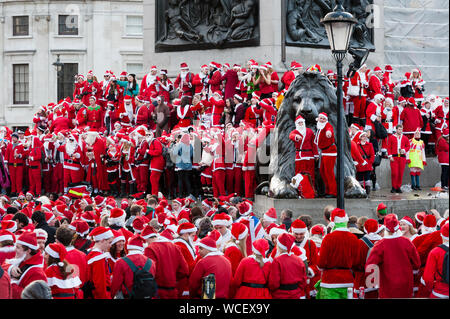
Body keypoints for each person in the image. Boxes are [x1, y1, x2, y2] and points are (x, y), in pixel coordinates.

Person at [366, 214, 421, 298]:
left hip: (387, 286)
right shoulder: (406, 242)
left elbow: (370, 266)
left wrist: (374, 283)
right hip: (406, 284)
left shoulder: (380, 245)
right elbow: (417, 263)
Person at [316, 208, 360, 299]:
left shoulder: (328, 238)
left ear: (333, 222)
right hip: (348, 281)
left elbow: (321, 264)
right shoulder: (354, 238)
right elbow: (356, 263)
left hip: (329, 282)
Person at [144, 230, 189, 299]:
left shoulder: (150, 249)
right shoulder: (175, 247)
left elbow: (149, 273)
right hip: (172, 291)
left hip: (156, 293)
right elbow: (184, 271)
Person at [110, 234, 157, 299]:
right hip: (147, 296)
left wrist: (111, 296)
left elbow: (115, 285)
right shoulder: (151, 262)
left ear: (128, 247)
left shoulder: (120, 262)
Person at [3, 231, 47, 299]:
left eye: (18, 247)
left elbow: (29, 296)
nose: (15, 249)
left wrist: (10, 283)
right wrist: (10, 269)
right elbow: (3, 265)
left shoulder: (37, 272)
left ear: (28, 251)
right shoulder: (23, 259)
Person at [268, 233, 307, 299]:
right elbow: (303, 280)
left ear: (278, 246)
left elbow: (274, 283)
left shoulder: (277, 261)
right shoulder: (299, 260)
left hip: (280, 294)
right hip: (295, 294)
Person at [85, 227, 115, 299]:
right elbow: (100, 284)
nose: (110, 245)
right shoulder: (98, 258)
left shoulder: (92, 253)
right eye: (109, 242)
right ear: (102, 240)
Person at [422, 222, 449, 298]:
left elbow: (428, 278)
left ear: (442, 235)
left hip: (439, 292)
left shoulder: (435, 252)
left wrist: (431, 288)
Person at [314, 112, 337, 198]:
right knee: (323, 172)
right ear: (318, 119)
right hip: (324, 151)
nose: (322, 120)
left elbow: (329, 130)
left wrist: (329, 133)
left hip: (330, 151)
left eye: (323, 119)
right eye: (321, 118)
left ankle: (333, 192)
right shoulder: (319, 127)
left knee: (329, 172)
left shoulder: (327, 125)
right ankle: (328, 191)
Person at [387, 124, 410, 193]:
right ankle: (393, 187)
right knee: (394, 173)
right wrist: (390, 156)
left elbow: (408, 146)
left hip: (402, 157)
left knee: (400, 173)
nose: (400, 131)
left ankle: (398, 187)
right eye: (399, 129)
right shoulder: (391, 137)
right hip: (394, 157)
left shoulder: (405, 138)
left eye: (401, 129)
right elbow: (389, 147)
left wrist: (404, 150)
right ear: (396, 130)